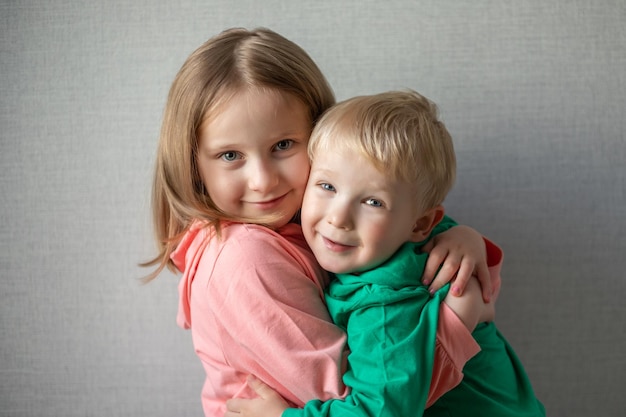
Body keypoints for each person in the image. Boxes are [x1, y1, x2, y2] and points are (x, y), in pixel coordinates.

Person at [143, 28, 503, 416]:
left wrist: (458, 237)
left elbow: (401, 217)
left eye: (283, 146)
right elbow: (357, 400)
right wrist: (457, 323)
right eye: (231, 155)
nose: (263, 181)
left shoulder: (310, 218)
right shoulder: (246, 260)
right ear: (194, 163)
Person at [225, 90, 545, 417]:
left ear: (420, 224)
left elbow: (377, 413)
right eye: (327, 186)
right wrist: (463, 235)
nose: (338, 217)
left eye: (373, 202)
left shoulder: (385, 311)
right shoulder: (411, 244)